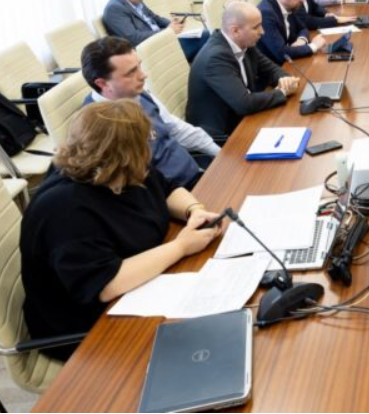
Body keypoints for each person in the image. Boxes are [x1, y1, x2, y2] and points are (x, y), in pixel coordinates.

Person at [20, 100, 224, 361]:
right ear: (126, 153)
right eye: (146, 141)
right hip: (88, 328)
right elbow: (106, 283)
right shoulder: (64, 210)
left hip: (135, 289)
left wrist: (193, 209)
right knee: (203, 343)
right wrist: (181, 246)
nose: (150, 147)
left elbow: (166, 188)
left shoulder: (118, 168)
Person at [80, 37, 220, 190]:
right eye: (131, 72)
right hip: (173, 195)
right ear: (102, 83)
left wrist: (219, 153)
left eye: (139, 66)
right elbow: (133, 185)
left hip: (195, 174)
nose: (143, 75)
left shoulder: (138, 93)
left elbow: (175, 128)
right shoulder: (99, 126)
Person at [187, 1, 300, 140]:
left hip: (241, 117)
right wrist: (282, 92)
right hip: (222, 134)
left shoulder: (244, 43)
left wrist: (284, 79)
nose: (262, 32)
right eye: (256, 27)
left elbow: (270, 69)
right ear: (235, 30)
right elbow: (244, 104)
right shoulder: (215, 58)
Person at [257, 0, 327, 65]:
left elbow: (303, 28)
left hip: (290, 62)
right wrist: (313, 46)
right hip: (275, 68)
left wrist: (301, 40)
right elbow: (281, 53)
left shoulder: (288, 4)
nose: (303, 0)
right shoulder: (266, 13)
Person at [103, 0, 183, 46]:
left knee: (190, 40)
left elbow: (155, 18)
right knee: (190, 45)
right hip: (150, 48)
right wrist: (167, 31)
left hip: (162, 40)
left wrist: (172, 24)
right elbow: (134, 38)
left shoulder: (135, 1)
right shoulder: (114, 8)